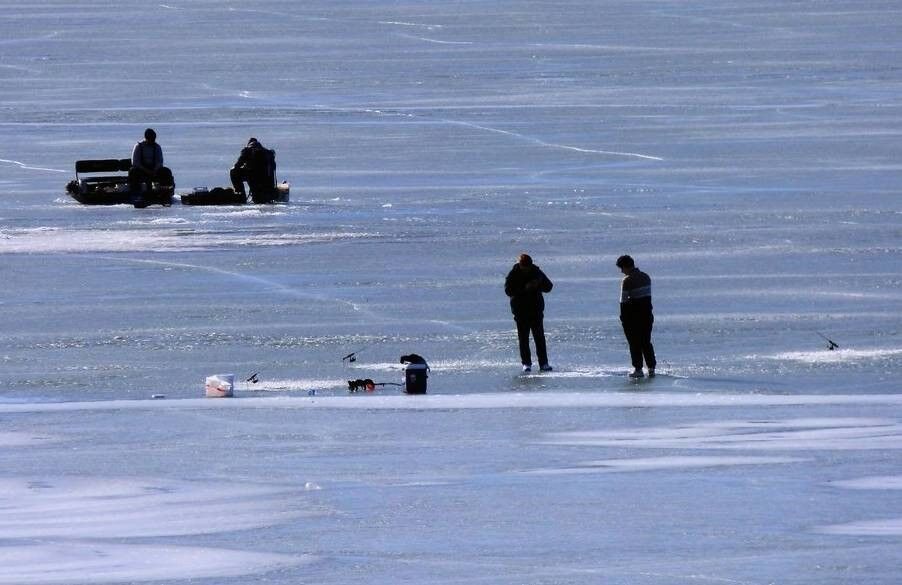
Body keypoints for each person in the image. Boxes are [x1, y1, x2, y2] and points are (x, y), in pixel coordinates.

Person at [505, 253, 554, 373]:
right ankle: (526, 363)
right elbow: (508, 290)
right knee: (523, 338)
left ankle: (544, 363)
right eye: (524, 267)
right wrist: (524, 288)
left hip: (535, 310)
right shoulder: (513, 273)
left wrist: (538, 284)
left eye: (528, 267)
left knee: (539, 337)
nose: (526, 270)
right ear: (520, 265)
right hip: (520, 311)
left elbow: (549, 286)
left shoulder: (537, 272)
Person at [616, 254, 656, 378]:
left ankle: (638, 369)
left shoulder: (627, 280)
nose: (621, 271)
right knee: (646, 342)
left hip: (632, 317)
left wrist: (623, 318)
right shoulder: (646, 277)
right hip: (647, 315)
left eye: (621, 268)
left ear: (625, 267)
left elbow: (623, 301)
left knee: (634, 343)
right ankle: (651, 368)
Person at [128, 128, 173, 196]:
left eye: (153, 139)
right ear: (146, 138)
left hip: (154, 169)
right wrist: (146, 170)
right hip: (141, 170)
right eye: (151, 139)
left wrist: (155, 170)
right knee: (132, 171)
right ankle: (136, 192)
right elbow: (135, 163)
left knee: (166, 171)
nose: (152, 141)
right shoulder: (138, 146)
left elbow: (160, 162)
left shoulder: (157, 147)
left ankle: (166, 191)